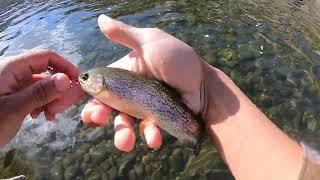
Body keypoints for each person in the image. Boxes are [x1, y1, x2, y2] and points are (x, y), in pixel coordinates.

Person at [0, 14, 319, 179]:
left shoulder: (103, 82)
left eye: (86, 79)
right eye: (84, 78)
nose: (83, 81)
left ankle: (194, 133)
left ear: (98, 82)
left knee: (147, 128)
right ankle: (195, 132)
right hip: (161, 102)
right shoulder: (103, 83)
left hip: (161, 102)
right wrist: (206, 89)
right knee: (152, 126)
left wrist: (205, 92)